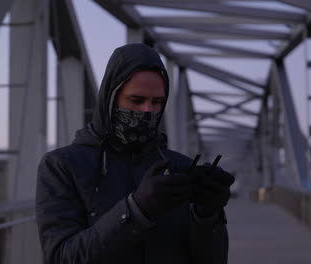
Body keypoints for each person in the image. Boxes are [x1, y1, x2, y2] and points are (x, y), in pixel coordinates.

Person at [35, 43, 235, 264]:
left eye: (157, 102)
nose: (147, 110)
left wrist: (208, 216)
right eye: (136, 100)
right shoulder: (61, 166)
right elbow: (60, 258)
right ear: (110, 99)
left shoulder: (181, 167)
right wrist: (135, 210)